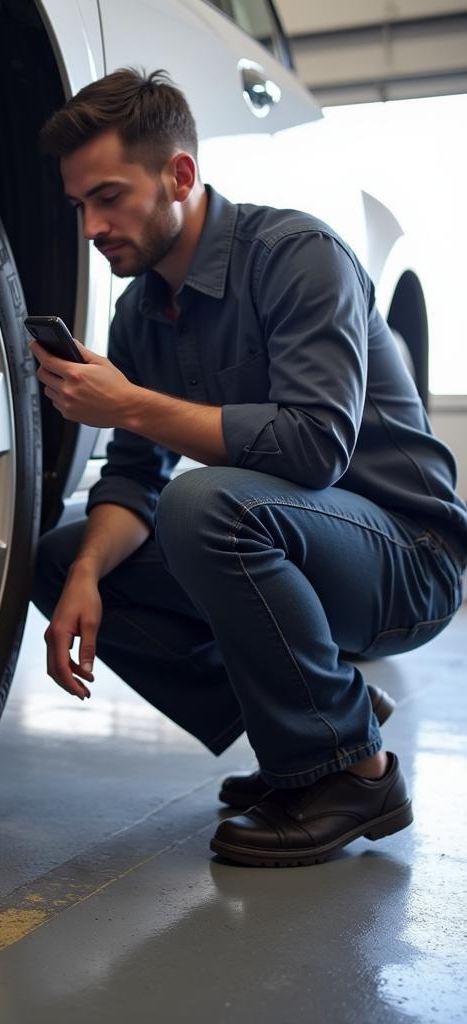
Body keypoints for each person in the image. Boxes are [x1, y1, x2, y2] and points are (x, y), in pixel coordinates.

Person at [31, 68, 467, 867]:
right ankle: (321, 715)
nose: (91, 226)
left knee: (205, 504)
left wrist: (127, 403)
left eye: (109, 197)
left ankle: (354, 773)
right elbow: (131, 479)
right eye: (79, 206)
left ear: (180, 175)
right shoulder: (140, 316)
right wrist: (89, 574)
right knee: (61, 557)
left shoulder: (299, 257)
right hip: (299, 549)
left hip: (411, 561)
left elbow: (313, 446)